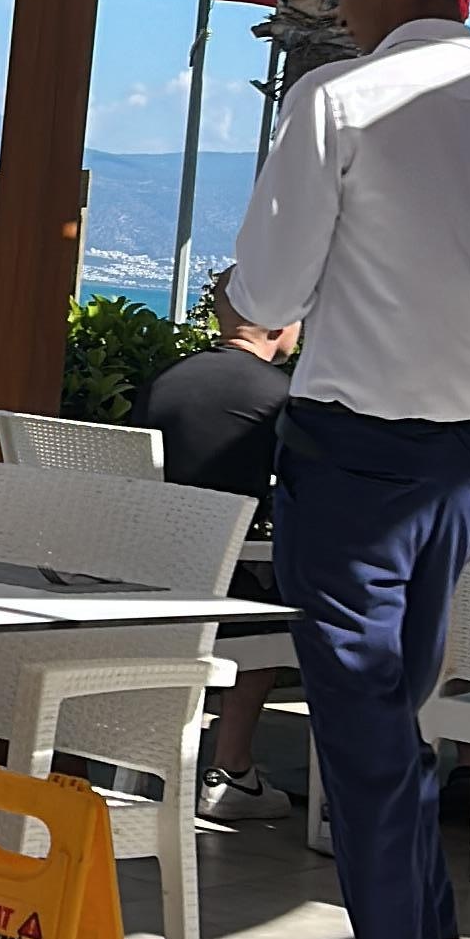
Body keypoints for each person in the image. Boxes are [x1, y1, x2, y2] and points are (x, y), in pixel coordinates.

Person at [224, 0, 470, 939]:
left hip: (351, 460)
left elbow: (269, 291)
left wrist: (240, 311)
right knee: (399, 726)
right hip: (468, 463)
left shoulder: (339, 100)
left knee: (369, 744)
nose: (337, 12)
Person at [133, 284, 298, 822]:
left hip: (142, 578)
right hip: (217, 588)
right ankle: (232, 770)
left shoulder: (165, 381)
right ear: (278, 326)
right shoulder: (277, 397)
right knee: (284, 609)